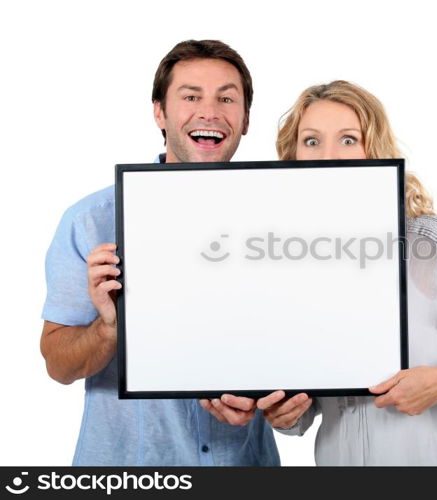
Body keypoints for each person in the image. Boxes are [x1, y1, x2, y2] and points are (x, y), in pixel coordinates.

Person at [207, 80, 437, 465]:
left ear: (372, 150)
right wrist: (287, 413)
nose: (328, 156)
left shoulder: (431, 244)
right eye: (311, 141)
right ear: (293, 156)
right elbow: (307, 405)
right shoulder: (287, 263)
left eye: (348, 139)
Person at [40, 40, 279, 466]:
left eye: (227, 98)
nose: (209, 111)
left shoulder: (284, 223)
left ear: (244, 121)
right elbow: (58, 365)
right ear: (159, 112)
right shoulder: (91, 222)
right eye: (191, 96)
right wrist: (110, 326)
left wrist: (273, 400)